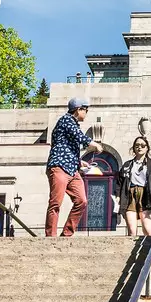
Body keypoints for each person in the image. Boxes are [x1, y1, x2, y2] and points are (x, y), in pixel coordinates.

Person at [45, 97, 101, 237]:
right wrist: (95, 144)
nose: (86, 113)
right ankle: (50, 237)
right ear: (79, 109)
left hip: (72, 169)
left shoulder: (73, 124)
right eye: (86, 110)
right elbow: (79, 137)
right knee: (55, 202)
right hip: (59, 167)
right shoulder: (66, 120)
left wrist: (79, 162)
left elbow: (66, 146)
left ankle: (67, 234)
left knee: (81, 200)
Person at [118, 136, 151, 238]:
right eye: (137, 146)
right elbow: (119, 182)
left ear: (147, 148)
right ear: (133, 148)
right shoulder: (127, 165)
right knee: (132, 231)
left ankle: (149, 252)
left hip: (145, 195)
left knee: (147, 230)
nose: (139, 148)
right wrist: (118, 196)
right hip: (129, 195)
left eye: (142, 145)